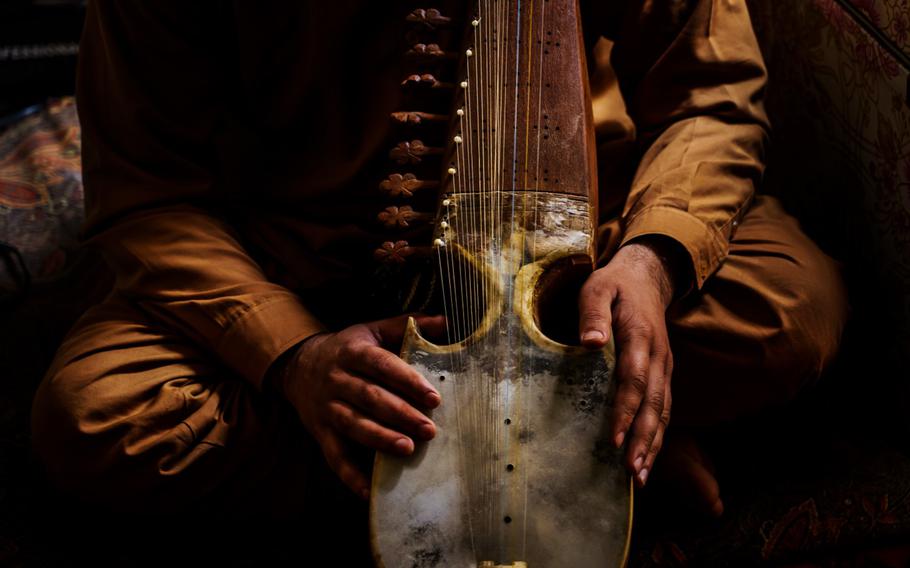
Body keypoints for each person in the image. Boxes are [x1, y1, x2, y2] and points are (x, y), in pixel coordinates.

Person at [32, 0, 847, 533]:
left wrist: (649, 263)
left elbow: (709, 96)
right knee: (100, 418)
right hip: (293, 265)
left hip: (566, 270)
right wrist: (295, 359)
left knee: (789, 311)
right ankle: (579, 450)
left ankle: (540, 429)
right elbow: (146, 194)